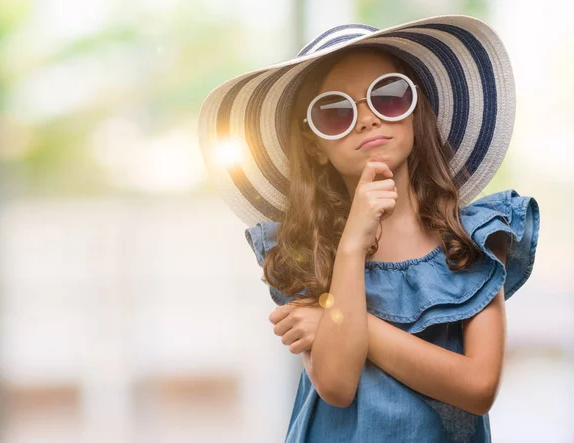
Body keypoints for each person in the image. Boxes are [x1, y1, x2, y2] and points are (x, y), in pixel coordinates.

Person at [198, 15, 540, 443]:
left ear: (417, 113)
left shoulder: (474, 237)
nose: (366, 120)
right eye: (336, 112)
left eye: (389, 97)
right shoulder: (306, 250)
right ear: (314, 146)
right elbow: (337, 386)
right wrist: (351, 246)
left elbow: (478, 388)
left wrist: (337, 322)